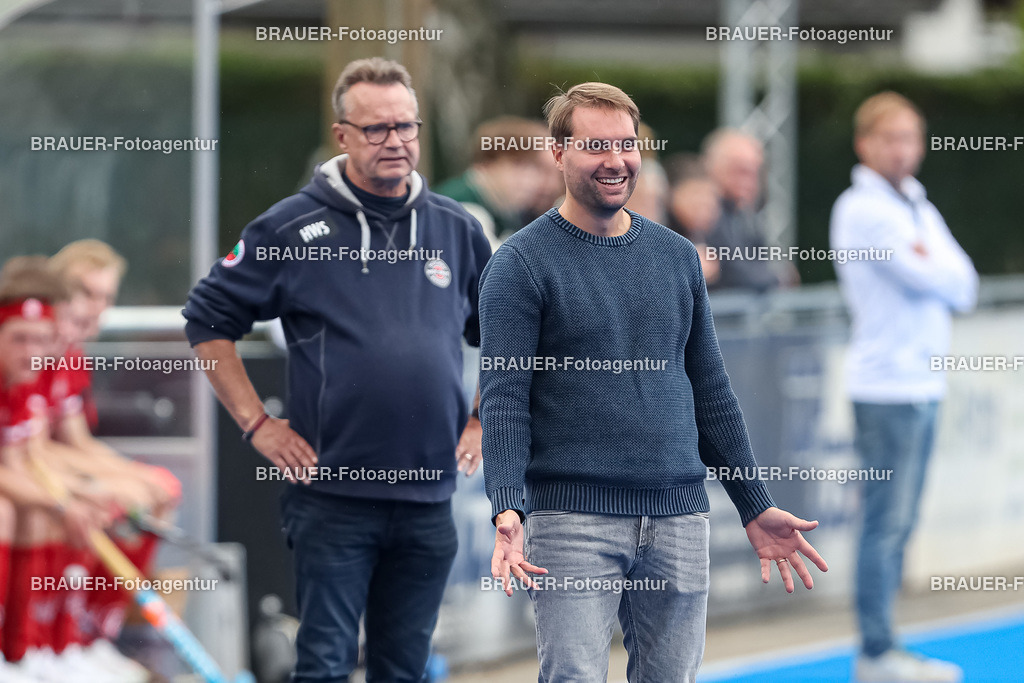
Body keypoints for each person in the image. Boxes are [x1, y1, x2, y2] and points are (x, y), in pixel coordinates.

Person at [480, 82, 828, 683]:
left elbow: (711, 391)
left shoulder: (676, 257)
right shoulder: (519, 263)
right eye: (596, 147)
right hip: (570, 519)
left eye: (627, 144)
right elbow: (504, 398)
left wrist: (753, 502)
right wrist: (507, 504)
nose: (616, 161)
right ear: (559, 154)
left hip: (677, 518)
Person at [183, 57, 492, 683]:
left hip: (428, 499)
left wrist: (485, 419)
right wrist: (257, 424)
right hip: (333, 498)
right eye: (376, 128)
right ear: (342, 135)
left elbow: (509, 339)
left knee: (403, 667)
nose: (395, 141)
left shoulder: (458, 228)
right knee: (323, 663)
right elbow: (207, 320)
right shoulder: (290, 227)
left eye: (406, 126)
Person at [830, 92, 977, 683]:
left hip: (922, 384)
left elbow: (963, 285)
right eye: (891, 137)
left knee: (901, 523)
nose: (903, 149)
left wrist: (931, 263)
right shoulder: (861, 208)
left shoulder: (917, 204)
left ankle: (885, 645)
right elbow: (924, 276)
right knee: (885, 524)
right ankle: (876, 650)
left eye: (911, 137)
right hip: (886, 386)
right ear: (865, 144)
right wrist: (931, 264)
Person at [436, 116, 552, 249]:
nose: (530, 179)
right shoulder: (462, 208)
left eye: (536, 168)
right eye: (518, 165)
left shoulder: (507, 210)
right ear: (485, 164)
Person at [702, 128, 793, 291]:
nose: (749, 182)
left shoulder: (743, 214)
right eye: (740, 171)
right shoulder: (706, 212)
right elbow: (734, 271)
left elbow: (759, 260)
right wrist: (779, 277)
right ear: (714, 168)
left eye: (755, 172)